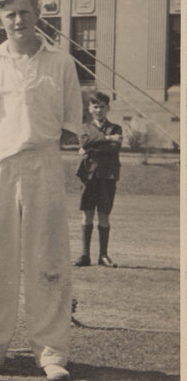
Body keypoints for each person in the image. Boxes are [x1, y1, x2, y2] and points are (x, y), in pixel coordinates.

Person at [0, 0, 83, 381]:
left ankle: (51, 352)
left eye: (24, 12)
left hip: (44, 164)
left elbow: (70, 124)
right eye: (9, 13)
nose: (18, 20)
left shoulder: (61, 62)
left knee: (47, 259)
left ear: (38, 13)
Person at [74, 91, 122, 268]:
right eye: (95, 106)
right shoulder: (84, 127)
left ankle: (103, 255)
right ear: (89, 108)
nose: (99, 110)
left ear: (108, 108)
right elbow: (84, 143)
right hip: (89, 175)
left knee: (104, 214)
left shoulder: (116, 128)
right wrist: (107, 139)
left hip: (108, 176)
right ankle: (84, 255)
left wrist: (91, 147)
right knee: (87, 213)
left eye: (102, 106)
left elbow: (114, 148)